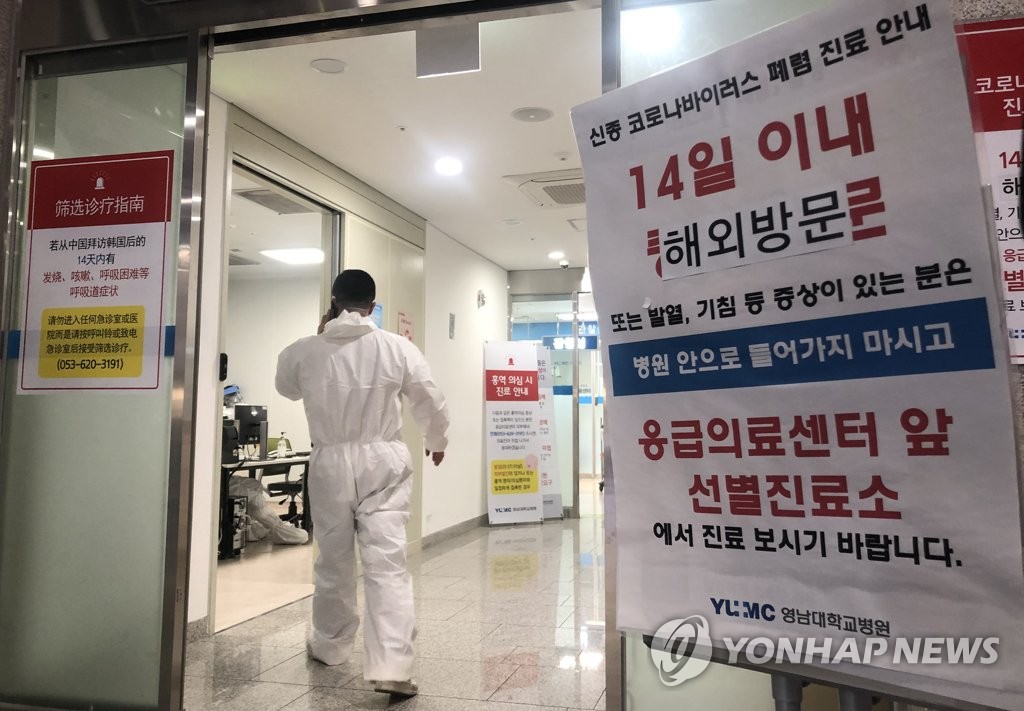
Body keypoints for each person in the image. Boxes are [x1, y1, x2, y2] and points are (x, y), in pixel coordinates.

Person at [275, 269, 449, 698]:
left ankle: (331, 646)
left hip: (330, 462)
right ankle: (392, 664)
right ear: (373, 305)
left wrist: (321, 338)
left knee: (333, 559)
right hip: (383, 461)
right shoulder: (397, 347)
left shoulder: (303, 350)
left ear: (333, 302)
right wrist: (436, 440)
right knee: (387, 562)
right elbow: (429, 397)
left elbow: (285, 388)